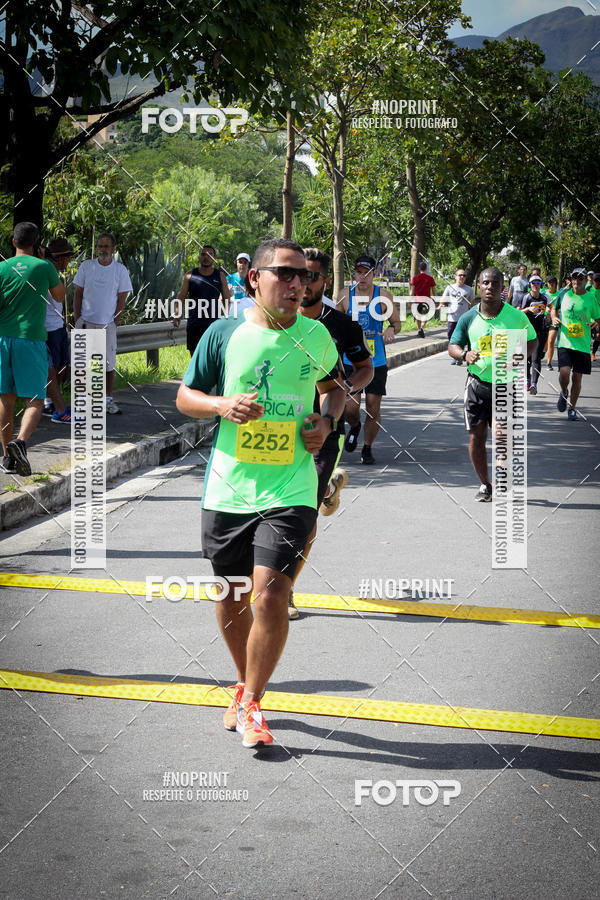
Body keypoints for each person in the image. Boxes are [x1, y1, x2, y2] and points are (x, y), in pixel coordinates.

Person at [176, 238, 343, 748]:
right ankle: (244, 683)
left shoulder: (315, 335)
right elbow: (185, 397)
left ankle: (251, 704)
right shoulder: (223, 334)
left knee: (272, 593)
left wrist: (325, 419)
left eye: (304, 278)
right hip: (228, 490)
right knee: (232, 598)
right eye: (285, 275)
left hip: (292, 486)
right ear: (255, 279)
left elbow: (335, 386)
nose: (298, 285)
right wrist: (222, 405)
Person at [287, 247, 374, 619]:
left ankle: (285, 589)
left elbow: (365, 367)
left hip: (324, 430)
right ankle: (331, 488)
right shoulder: (277, 322)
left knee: (305, 516)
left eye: (312, 277)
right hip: (280, 428)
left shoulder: (341, 326)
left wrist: (345, 390)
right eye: (298, 275)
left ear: (326, 281)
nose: (303, 284)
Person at [448, 267, 537, 500]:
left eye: (495, 283)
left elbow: (532, 340)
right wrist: (464, 355)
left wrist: (518, 357)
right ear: (479, 286)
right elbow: (452, 345)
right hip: (476, 385)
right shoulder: (469, 317)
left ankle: (501, 480)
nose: (490, 287)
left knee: (501, 437)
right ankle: (485, 484)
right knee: (476, 438)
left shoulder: (516, 316)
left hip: (505, 387)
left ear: (502, 288)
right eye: (486, 283)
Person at [0, 222, 65, 475]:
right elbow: (59, 296)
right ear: (37, 244)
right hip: (32, 339)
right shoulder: (44, 266)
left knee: (5, 398)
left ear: (13, 242)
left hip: (4, 338)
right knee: (36, 399)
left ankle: (7, 459)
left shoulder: (2, 268)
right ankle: (21, 442)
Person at [336, 254, 401, 464]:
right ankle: (354, 426)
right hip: (350, 360)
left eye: (367, 273)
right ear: (354, 274)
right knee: (351, 408)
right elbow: (334, 325)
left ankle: (367, 448)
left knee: (373, 408)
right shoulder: (345, 295)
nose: (362, 277)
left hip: (376, 361)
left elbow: (397, 323)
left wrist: (391, 330)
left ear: (375, 273)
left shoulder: (384, 296)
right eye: (358, 273)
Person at [73, 231, 132, 414]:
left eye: (106, 246)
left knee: (108, 364)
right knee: (83, 364)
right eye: (100, 246)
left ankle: (107, 400)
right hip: (86, 322)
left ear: (113, 249)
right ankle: (82, 400)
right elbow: (78, 293)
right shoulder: (86, 266)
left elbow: (122, 297)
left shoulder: (120, 270)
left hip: (107, 324)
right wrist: (77, 319)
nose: (102, 249)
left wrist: (115, 320)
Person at [552, 267, 600, 420]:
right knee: (564, 374)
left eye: (580, 278)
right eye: (574, 277)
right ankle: (564, 392)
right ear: (571, 279)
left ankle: (572, 408)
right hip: (565, 342)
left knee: (577, 378)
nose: (576, 281)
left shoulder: (591, 298)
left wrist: (595, 324)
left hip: (583, 344)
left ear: (586, 280)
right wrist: (553, 317)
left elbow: (598, 318)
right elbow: (553, 309)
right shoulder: (564, 294)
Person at [174, 245, 231, 356]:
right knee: (195, 356)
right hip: (194, 324)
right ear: (199, 257)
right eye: (203, 254)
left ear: (214, 258)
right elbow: (181, 296)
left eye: (210, 254)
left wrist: (227, 316)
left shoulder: (220, 276)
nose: (206, 257)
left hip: (214, 324)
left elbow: (227, 298)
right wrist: (177, 315)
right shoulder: (190, 275)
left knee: (213, 356)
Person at [43, 238, 73, 423]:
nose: (66, 262)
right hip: (47, 327)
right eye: (63, 257)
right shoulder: (45, 273)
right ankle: (50, 403)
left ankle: (54, 399)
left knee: (63, 366)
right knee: (52, 368)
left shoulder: (56, 275)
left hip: (59, 325)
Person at [521, 274, 550, 395]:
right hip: (527, 331)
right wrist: (528, 309)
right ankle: (527, 379)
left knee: (536, 358)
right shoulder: (526, 298)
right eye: (533, 283)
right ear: (530, 285)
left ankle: (534, 384)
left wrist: (548, 312)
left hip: (540, 331)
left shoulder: (545, 298)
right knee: (526, 358)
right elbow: (519, 312)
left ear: (541, 285)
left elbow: (551, 311)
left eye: (538, 283)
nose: (536, 285)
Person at [441, 268, 474, 364]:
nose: (462, 277)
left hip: (464, 319)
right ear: (455, 277)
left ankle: (461, 356)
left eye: (464, 275)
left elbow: (472, 304)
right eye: (460, 275)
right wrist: (442, 304)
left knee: (463, 338)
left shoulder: (469, 289)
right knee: (451, 337)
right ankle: (457, 355)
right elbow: (443, 299)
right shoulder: (450, 287)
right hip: (452, 318)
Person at [410, 260, 436, 338]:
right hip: (427, 300)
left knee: (418, 316)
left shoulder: (415, 278)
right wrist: (434, 298)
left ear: (419, 269)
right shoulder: (430, 278)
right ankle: (422, 328)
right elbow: (433, 290)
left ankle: (419, 330)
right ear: (426, 269)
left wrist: (410, 299)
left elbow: (412, 291)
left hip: (417, 300)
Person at [544, 276, 560, 369]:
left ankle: (549, 363)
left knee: (551, 341)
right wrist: (545, 307)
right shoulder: (543, 294)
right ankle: (543, 351)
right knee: (544, 342)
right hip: (544, 319)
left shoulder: (559, 295)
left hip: (554, 320)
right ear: (547, 283)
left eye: (553, 282)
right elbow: (539, 307)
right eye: (549, 282)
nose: (551, 283)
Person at [591, 273, 600, 361]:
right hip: (588, 318)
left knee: (598, 336)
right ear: (593, 281)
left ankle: (593, 353)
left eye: (599, 281)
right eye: (596, 280)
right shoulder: (588, 290)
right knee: (586, 336)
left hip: (598, 319)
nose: (598, 282)